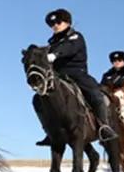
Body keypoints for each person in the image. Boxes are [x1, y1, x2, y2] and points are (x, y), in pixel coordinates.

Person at [34, 9, 116, 145]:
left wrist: (55, 55)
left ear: (67, 22)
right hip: (58, 77)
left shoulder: (76, 36)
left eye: (58, 22)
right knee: (38, 99)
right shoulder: (52, 43)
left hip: (77, 74)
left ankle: (103, 126)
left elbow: (70, 48)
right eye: (52, 24)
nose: (55, 25)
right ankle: (49, 132)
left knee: (96, 95)